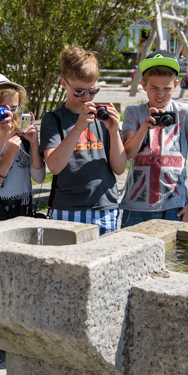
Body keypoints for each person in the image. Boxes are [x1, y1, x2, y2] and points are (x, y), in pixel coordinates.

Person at [0, 74, 47, 363]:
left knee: (19, 279)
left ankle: (14, 335)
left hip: (22, 213)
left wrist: (34, 144)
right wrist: (7, 148)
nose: (11, 115)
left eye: (16, 108)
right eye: (4, 109)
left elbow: (39, 177)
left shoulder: (24, 138)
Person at [40, 45, 126, 235]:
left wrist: (113, 131)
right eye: (79, 91)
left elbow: (120, 168)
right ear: (64, 83)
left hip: (105, 207)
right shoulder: (54, 119)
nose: (87, 97)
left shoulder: (103, 119)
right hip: (67, 208)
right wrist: (79, 127)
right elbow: (54, 166)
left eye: (93, 91)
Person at [120, 51, 188, 227]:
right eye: (154, 88)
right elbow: (128, 154)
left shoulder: (185, 112)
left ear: (175, 85)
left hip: (174, 206)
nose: (160, 94)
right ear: (143, 85)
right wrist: (144, 128)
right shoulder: (133, 113)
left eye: (167, 88)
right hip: (136, 206)